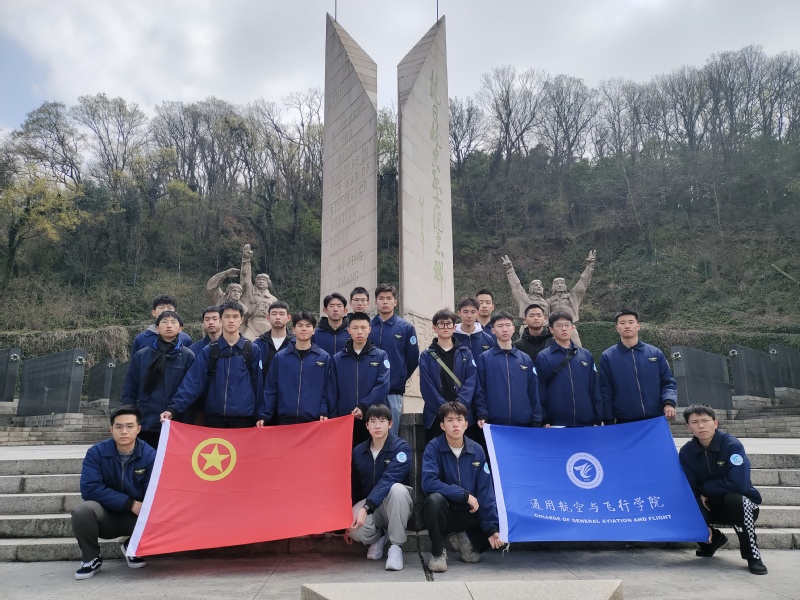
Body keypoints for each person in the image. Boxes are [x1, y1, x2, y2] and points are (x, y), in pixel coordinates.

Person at [679, 404, 767, 575]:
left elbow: (739, 483)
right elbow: (691, 488)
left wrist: (705, 489)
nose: (701, 426)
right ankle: (712, 541)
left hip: (741, 507)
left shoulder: (731, 445)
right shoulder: (686, 452)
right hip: (710, 507)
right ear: (688, 427)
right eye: (695, 422)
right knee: (684, 500)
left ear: (715, 423)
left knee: (735, 499)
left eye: (705, 421)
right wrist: (702, 524)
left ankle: (752, 555)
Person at [71, 406, 155, 579]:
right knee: (82, 511)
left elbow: (153, 490)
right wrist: (129, 504)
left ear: (139, 429)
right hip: (106, 515)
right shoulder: (96, 453)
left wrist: (141, 507)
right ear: (111, 429)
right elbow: (90, 488)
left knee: (164, 509)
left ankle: (133, 545)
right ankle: (91, 558)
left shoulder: (150, 455)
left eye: (130, 426)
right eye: (119, 427)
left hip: (137, 519)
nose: (124, 431)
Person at [422, 401, 504, 572]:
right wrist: (464, 495)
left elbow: (485, 491)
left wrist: (491, 528)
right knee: (434, 500)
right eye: (450, 420)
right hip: (446, 514)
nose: (455, 424)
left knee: (502, 521)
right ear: (442, 426)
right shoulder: (433, 447)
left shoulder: (477, 450)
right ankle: (437, 553)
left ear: (466, 424)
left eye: (459, 420)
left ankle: (465, 540)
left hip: (470, 513)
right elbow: (428, 482)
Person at [161, 300, 263, 428]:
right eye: (227, 316)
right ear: (220, 320)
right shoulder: (209, 350)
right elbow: (193, 382)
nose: (231, 320)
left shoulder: (252, 349)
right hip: (214, 419)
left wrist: (261, 414)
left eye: (235, 316)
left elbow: (258, 384)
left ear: (241, 319)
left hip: (244, 419)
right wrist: (173, 408)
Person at [346, 404, 413, 571]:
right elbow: (352, 485)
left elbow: (389, 479)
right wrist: (345, 523)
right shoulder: (358, 451)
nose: (377, 426)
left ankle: (396, 546)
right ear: (366, 425)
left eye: (382, 421)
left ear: (390, 424)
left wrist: (366, 507)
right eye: (373, 421)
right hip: (371, 505)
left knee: (397, 489)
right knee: (353, 527)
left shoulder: (401, 448)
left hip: (395, 504)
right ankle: (379, 537)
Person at [121, 311, 195, 448]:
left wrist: (175, 410)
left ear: (180, 328)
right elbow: (130, 388)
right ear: (157, 328)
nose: (169, 325)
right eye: (164, 322)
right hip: (145, 421)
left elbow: (190, 389)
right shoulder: (142, 355)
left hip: (175, 422)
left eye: (173, 322)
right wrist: (128, 414)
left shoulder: (187, 356)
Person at [599, 309, 677, 424]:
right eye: (622, 323)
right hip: (625, 422)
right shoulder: (608, 356)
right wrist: (608, 419)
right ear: (617, 328)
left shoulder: (655, 353)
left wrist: (669, 402)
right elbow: (605, 391)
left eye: (631, 322)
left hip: (656, 420)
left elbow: (668, 382)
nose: (627, 326)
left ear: (638, 326)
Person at [327, 312, 390, 446]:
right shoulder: (338, 358)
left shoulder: (380, 356)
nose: (359, 332)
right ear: (349, 330)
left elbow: (383, 385)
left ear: (369, 329)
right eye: (355, 328)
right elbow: (332, 389)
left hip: (373, 417)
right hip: (345, 419)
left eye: (363, 327)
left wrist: (364, 406)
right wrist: (334, 417)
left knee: (371, 453)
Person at [258, 311, 331, 426]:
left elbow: (327, 389)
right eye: (300, 326)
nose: (304, 329)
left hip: (314, 421)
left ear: (313, 331)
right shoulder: (280, 357)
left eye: (308, 326)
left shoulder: (324, 357)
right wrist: (264, 415)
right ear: (293, 330)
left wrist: (324, 410)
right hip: (285, 421)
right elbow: (271, 389)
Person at [474, 311, 542, 429]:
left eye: (508, 325)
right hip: (494, 423)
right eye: (500, 326)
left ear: (513, 329)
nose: (504, 329)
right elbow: (480, 390)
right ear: (493, 330)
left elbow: (533, 390)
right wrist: (482, 413)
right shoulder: (484, 358)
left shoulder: (525, 359)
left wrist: (536, 418)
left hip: (523, 423)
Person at [534, 311, 601, 428]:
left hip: (586, 421)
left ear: (572, 327)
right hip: (556, 423)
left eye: (567, 325)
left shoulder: (586, 355)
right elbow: (539, 389)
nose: (564, 329)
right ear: (551, 329)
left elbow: (594, 387)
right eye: (559, 325)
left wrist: (598, 417)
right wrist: (544, 419)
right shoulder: (543, 357)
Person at [420, 309, 477, 442]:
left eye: (449, 323)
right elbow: (426, 386)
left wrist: (458, 407)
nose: (445, 327)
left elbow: (471, 381)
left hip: (462, 414)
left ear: (454, 327)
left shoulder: (465, 353)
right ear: (434, 328)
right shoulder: (426, 355)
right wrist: (444, 409)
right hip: (436, 415)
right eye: (441, 324)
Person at [369, 284, 419, 436]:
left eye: (389, 298)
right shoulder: (368, 327)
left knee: (391, 434)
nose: (385, 302)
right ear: (376, 302)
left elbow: (412, 359)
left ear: (395, 302)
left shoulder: (405, 328)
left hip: (393, 390)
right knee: (370, 433)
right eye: (381, 298)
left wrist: (400, 377)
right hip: (369, 390)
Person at [546, 250, 597, 346]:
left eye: (562, 283)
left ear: (565, 285)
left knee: (577, 350)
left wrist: (589, 267)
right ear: (553, 286)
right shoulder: (549, 301)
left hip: (570, 327)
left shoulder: (572, 297)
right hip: (554, 329)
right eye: (557, 283)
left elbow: (582, 283)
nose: (559, 285)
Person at [240, 244, 278, 340]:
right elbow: (246, 279)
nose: (261, 281)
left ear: (268, 283)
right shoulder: (250, 293)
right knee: (245, 344)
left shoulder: (273, 299)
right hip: (252, 326)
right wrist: (246, 260)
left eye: (264, 280)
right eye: (259, 279)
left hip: (268, 327)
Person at [253, 301, 293, 384]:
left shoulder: (295, 343)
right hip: (265, 390)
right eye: (274, 314)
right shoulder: (258, 344)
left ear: (288, 317)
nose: (278, 317)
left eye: (282, 314)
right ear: (268, 317)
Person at [501, 255, 549, 321]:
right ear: (531, 288)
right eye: (536, 285)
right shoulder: (525, 298)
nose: (539, 286)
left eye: (540, 285)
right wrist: (510, 270)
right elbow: (516, 286)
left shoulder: (546, 303)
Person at [314, 292, 350, 356]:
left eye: (339, 306)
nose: (335, 309)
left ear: (345, 310)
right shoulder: (315, 334)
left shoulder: (351, 333)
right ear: (325, 310)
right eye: (331, 306)